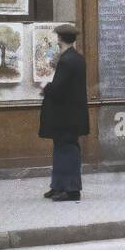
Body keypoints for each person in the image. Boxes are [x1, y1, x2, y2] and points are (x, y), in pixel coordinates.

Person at [39, 24, 88, 201]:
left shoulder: (67, 60)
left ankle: (72, 190)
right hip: (70, 115)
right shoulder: (76, 58)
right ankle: (58, 186)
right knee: (62, 150)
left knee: (67, 151)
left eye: (57, 36)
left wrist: (45, 87)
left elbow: (58, 89)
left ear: (60, 38)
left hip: (66, 116)